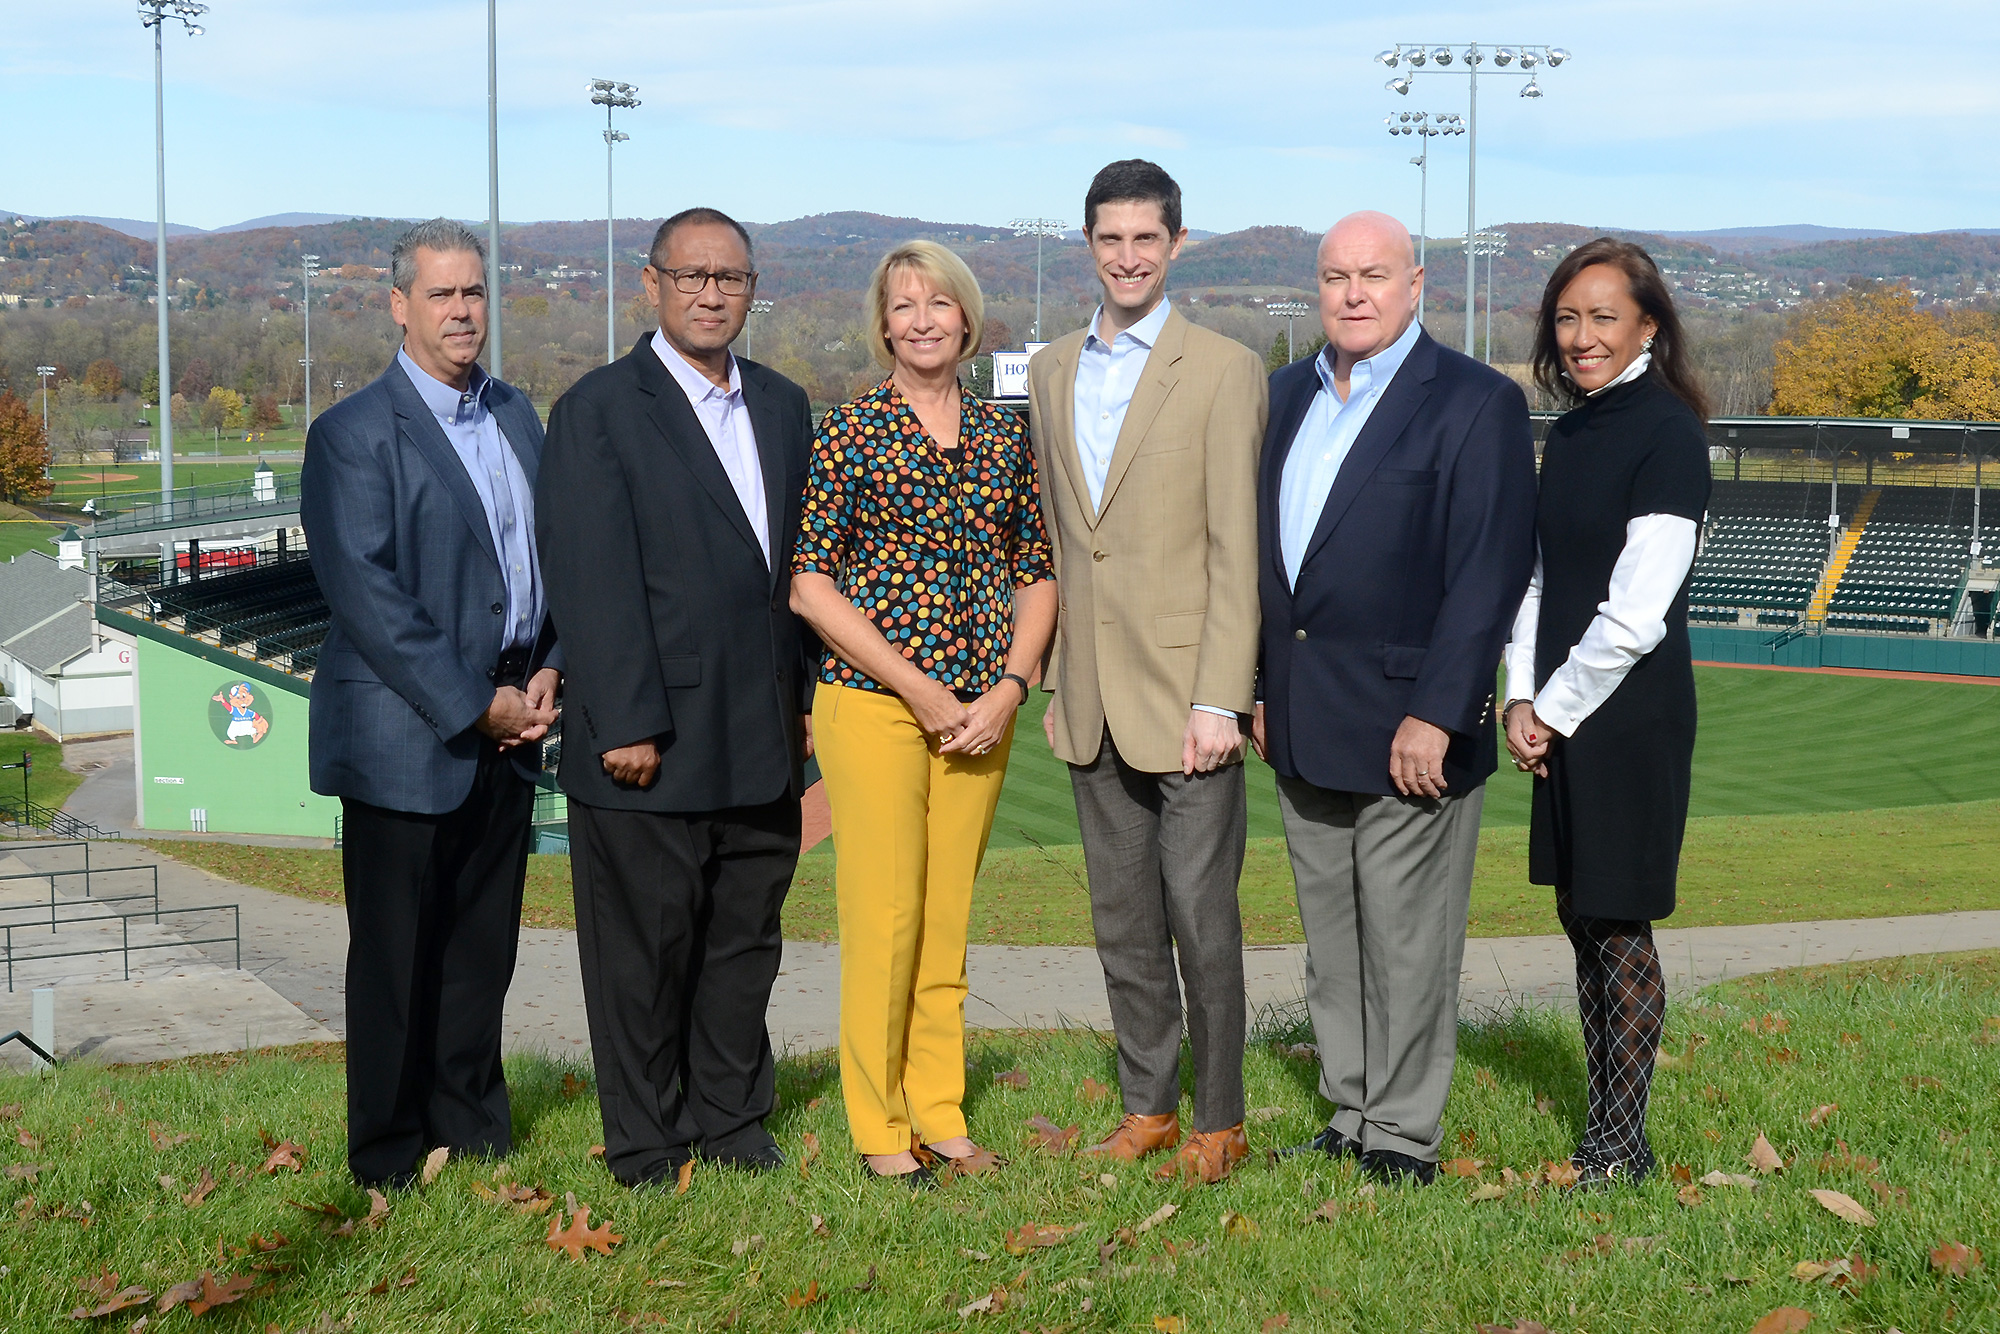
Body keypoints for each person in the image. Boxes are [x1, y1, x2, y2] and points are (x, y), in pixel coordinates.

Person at [1254, 211, 1537, 1186]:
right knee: (1332, 945)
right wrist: (1257, 687)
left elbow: (1487, 570)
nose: (1352, 293)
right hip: (1301, 716)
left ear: (1416, 283)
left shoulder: (1471, 400)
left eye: (1373, 274)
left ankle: (1402, 1133)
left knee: (1407, 945)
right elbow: (1265, 563)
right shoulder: (1284, 392)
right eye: (1334, 276)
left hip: (1408, 725)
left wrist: (1438, 707)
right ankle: (1349, 1108)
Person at [537, 207, 815, 1186]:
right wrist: (627, 720)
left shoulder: (783, 406)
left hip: (760, 731)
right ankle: (648, 1138)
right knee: (642, 955)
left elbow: (793, 572)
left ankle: (732, 1116)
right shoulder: (598, 409)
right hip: (647, 738)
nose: (709, 292)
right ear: (649, 284)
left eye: (728, 277)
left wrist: (805, 700)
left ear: (750, 288)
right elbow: (589, 574)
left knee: (742, 940)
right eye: (690, 275)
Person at [301, 217, 560, 1189]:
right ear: (400, 304)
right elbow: (367, 595)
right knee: (397, 953)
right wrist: (475, 703)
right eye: (442, 294)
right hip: (407, 732)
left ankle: (473, 1124)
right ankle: (388, 1148)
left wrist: (552, 666)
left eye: (474, 293)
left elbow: (551, 558)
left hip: (511, 719)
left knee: (479, 944)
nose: (462, 311)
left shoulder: (515, 414)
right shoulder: (354, 433)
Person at [792, 240, 1057, 1185]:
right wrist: (920, 687)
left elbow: (1037, 573)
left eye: (937, 303)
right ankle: (880, 1122)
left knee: (946, 919)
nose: (921, 319)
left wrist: (1010, 686)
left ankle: (940, 1110)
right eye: (903, 306)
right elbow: (812, 586)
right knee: (886, 915)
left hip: (984, 712)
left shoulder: (1002, 439)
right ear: (883, 325)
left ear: (967, 319)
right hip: (875, 706)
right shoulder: (850, 431)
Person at [1027, 160, 1267, 1185]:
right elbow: (1056, 536)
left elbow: (1235, 548)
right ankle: (1147, 1105)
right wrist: (1046, 675)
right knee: (1120, 920)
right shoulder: (1045, 369)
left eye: (1144, 239)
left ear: (1175, 245)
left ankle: (1219, 1115)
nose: (1126, 257)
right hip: (1087, 694)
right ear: (1087, 245)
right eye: (1108, 239)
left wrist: (1221, 695)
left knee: (1200, 921)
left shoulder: (1221, 367)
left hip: (1185, 701)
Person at [1504, 238, 1712, 1187]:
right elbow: (1541, 580)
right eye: (1567, 317)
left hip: (1625, 716)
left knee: (1620, 924)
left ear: (1647, 327)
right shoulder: (1574, 429)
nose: (1582, 337)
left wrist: (1553, 708)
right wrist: (1517, 695)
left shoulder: (1667, 432)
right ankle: (1607, 1127)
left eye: (1603, 317)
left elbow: (1636, 614)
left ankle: (1620, 1145)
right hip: (1563, 710)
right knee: (1580, 915)